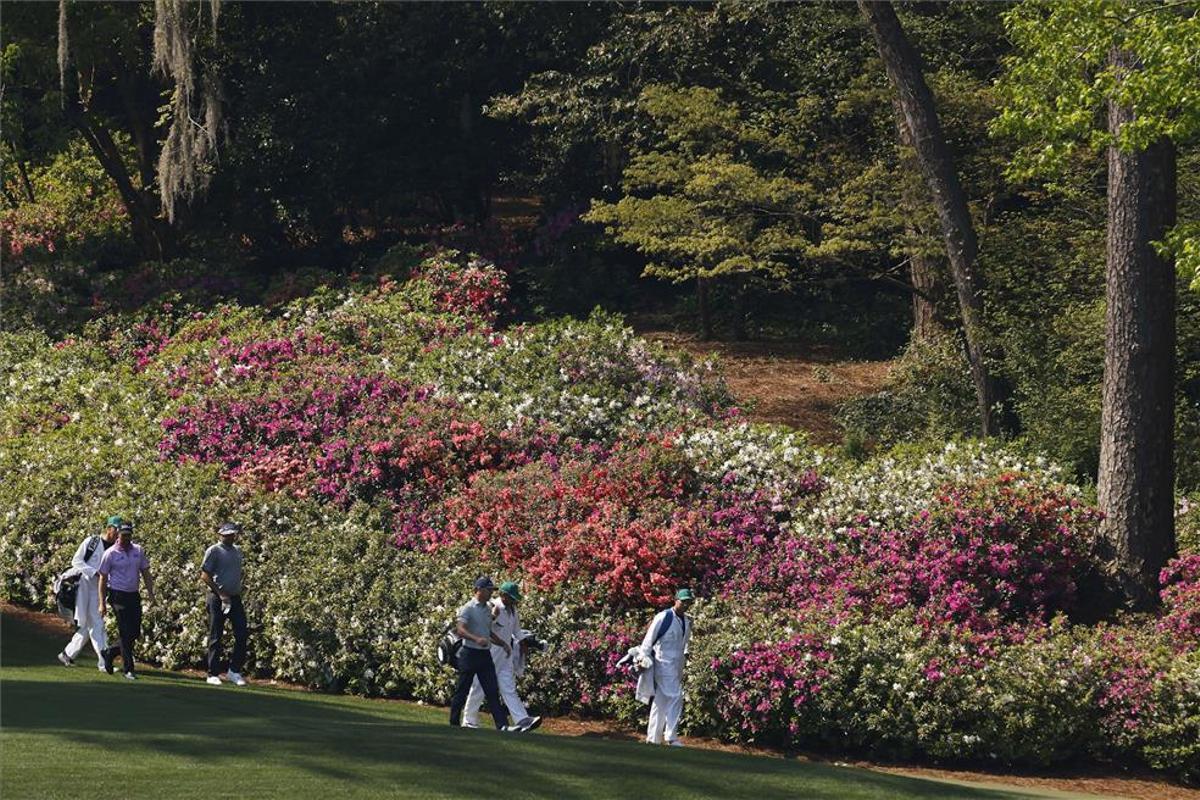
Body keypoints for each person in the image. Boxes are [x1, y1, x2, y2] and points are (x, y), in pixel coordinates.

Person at [462, 580, 541, 732]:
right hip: (489, 654)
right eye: (512, 598)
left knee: (509, 687)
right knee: (479, 687)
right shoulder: (492, 606)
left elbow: (517, 631)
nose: (514, 601)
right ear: (503, 595)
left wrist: (524, 644)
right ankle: (469, 720)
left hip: (506, 655)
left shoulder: (513, 610)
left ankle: (522, 719)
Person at [448, 577, 518, 732]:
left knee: (492, 691)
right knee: (462, 690)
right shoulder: (468, 608)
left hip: (484, 656)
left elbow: (488, 631)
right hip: (469, 654)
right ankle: (453, 723)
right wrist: (476, 639)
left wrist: (503, 644)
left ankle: (503, 726)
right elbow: (460, 629)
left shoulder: (488, 608)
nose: (492, 593)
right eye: (489, 590)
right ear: (479, 590)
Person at [57, 516, 120, 670]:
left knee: (92, 623)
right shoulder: (92, 542)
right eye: (116, 530)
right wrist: (95, 572)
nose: (118, 535)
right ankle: (104, 662)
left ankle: (68, 654)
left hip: (100, 589)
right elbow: (77, 561)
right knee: (95, 623)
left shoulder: (116, 548)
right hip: (85, 587)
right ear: (109, 528)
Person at [97, 521, 155, 680]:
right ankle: (128, 669)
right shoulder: (110, 553)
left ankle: (110, 652)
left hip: (133, 595)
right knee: (125, 631)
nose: (126, 538)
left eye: (129, 535)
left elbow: (145, 572)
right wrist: (102, 603)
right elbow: (102, 578)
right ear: (118, 535)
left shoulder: (138, 551)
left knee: (134, 632)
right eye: (123, 535)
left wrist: (151, 593)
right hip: (117, 596)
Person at [640, 588, 694, 746]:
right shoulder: (663, 617)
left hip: (677, 666)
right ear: (676, 600)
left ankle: (653, 739)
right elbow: (649, 639)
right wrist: (643, 658)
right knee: (677, 696)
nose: (686, 605)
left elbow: (684, 644)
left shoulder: (686, 620)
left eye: (688, 602)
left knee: (662, 700)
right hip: (663, 664)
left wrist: (686, 655)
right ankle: (671, 736)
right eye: (683, 601)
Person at [200, 521, 249, 687]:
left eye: (232, 534)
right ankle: (212, 673)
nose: (229, 537)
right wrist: (221, 593)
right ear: (220, 534)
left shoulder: (237, 551)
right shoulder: (214, 550)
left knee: (242, 633)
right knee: (216, 635)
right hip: (216, 597)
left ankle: (234, 671)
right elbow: (205, 575)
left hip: (234, 598)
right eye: (226, 534)